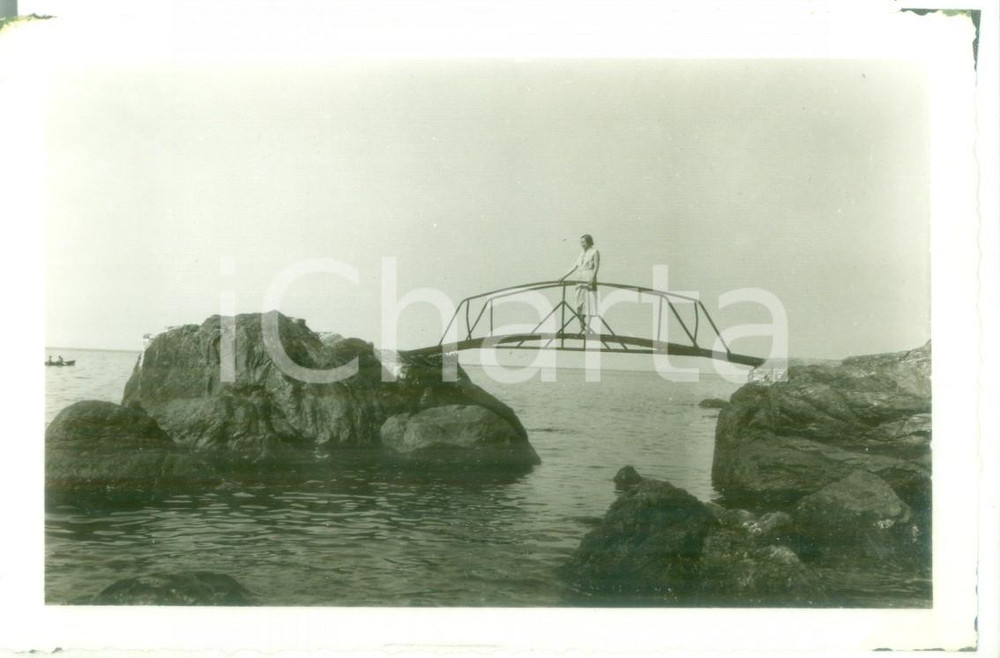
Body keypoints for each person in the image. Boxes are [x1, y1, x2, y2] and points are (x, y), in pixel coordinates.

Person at [559, 234, 600, 333]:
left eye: (583, 242)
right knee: (578, 303)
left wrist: (593, 278)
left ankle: (588, 328)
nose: (582, 244)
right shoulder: (581, 254)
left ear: (589, 242)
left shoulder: (595, 252)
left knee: (588, 303)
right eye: (581, 242)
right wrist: (563, 276)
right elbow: (574, 267)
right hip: (580, 277)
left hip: (588, 276)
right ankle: (582, 324)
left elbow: (596, 266)